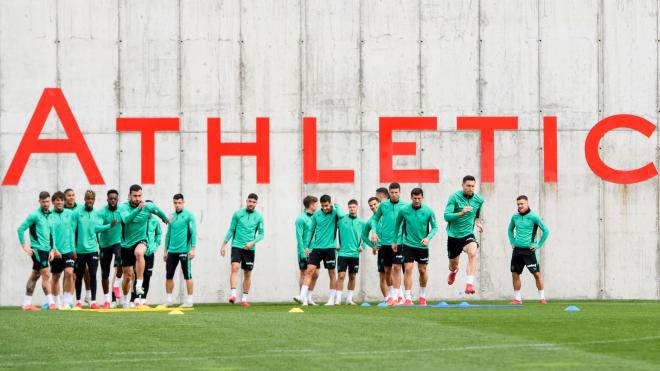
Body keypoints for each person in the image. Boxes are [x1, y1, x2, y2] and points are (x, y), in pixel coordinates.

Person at [118, 184, 168, 308]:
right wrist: (137, 210)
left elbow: (158, 211)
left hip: (141, 240)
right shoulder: (123, 207)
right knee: (128, 276)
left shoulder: (147, 206)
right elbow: (126, 220)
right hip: (126, 244)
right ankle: (125, 297)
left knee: (140, 253)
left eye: (139, 196)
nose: (137, 198)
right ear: (129, 196)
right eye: (134, 196)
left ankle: (139, 285)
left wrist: (165, 219)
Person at [394, 188, 438, 305]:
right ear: (411, 197)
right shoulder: (404, 210)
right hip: (408, 244)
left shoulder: (428, 211)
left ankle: (422, 296)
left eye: (419, 198)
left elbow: (435, 227)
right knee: (408, 269)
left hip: (422, 246)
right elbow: (397, 225)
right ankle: (408, 298)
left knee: (422, 270)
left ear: (422, 198)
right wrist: (394, 241)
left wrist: (428, 238)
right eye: (415, 198)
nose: (417, 200)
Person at [71, 190, 114, 309]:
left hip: (93, 249)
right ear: (84, 199)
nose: (90, 201)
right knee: (79, 275)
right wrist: (73, 249)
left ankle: (93, 301)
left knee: (93, 274)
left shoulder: (97, 213)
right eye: (88, 199)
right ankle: (78, 301)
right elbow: (71, 231)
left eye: (92, 199)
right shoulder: (77, 213)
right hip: (79, 250)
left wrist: (109, 226)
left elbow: (98, 229)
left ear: (94, 200)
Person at [299, 195, 344, 306]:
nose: (324, 208)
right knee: (309, 270)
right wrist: (306, 246)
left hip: (330, 248)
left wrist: (336, 205)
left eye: (327, 205)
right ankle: (302, 297)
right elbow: (310, 231)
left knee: (332, 273)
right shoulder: (316, 215)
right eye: (323, 205)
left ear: (330, 203)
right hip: (316, 248)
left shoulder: (334, 213)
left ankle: (331, 300)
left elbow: (342, 216)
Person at [221, 193, 265, 307]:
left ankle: (244, 299)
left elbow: (261, 234)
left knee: (247, 273)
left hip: (250, 248)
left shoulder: (259, 217)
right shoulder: (237, 214)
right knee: (234, 267)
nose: (251, 203)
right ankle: (233, 294)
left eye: (253, 202)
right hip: (237, 245)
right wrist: (223, 245)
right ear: (246, 201)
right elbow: (231, 229)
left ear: (256, 203)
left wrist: (252, 242)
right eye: (249, 201)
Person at [444, 175, 484, 295]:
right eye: (468, 186)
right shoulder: (454, 197)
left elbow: (477, 212)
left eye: (472, 186)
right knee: (452, 265)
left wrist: (477, 222)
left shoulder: (479, 200)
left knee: (472, 253)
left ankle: (469, 284)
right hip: (453, 236)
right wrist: (461, 213)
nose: (470, 188)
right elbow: (446, 216)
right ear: (462, 185)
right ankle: (454, 271)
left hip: (468, 234)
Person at [508, 195, 550, 304]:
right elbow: (509, 230)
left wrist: (538, 245)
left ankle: (542, 298)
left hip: (529, 251)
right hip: (517, 250)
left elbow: (546, 231)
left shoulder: (534, 217)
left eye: (522, 203)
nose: (520, 206)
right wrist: (512, 242)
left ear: (527, 203)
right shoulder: (515, 217)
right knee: (515, 274)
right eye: (518, 204)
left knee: (536, 274)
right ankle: (517, 299)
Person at [370, 183, 407, 305]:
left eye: (396, 192)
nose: (394, 194)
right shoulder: (383, 205)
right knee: (387, 270)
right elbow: (375, 219)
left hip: (398, 242)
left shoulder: (405, 206)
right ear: (389, 193)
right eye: (392, 192)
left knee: (397, 268)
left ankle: (397, 297)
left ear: (399, 192)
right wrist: (374, 232)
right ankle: (391, 295)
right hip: (384, 243)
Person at [17, 191, 55, 310]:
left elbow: (51, 234)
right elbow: (20, 229)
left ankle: (26, 303)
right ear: (39, 201)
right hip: (37, 249)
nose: (45, 204)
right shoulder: (34, 215)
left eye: (47, 201)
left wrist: (52, 249)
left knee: (35, 275)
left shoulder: (51, 215)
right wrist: (24, 245)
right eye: (43, 202)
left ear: (50, 202)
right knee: (46, 273)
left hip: (46, 250)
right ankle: (51, 303)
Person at [164, 194, 197, 308]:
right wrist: (165, 251)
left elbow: (193, 233)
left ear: (183, 202)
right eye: (175, 203)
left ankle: (190, 300)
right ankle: (169, 300)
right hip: (172, 251)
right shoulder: (171, 217)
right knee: (169, 275)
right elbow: (168, 235)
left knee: (187, 275)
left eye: (179, 203)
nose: (177, 205)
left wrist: (193, 249)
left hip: (184, 250)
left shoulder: (189, 216)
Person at [336, 200, 370, 305]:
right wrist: (336, 244)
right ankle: (337, 300)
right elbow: (333, 232)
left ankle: (349, 299)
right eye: (350, 207)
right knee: (341, 276)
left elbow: (365, 237)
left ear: (357, 207)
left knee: (352, 276)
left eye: (353, 207)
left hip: (355, 254)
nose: (352, 209)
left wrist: (363, 246)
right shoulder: (341, 220)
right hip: (342, 253)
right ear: (348, 208)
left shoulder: (362, 223)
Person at [48, 191, 76, 309]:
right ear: (53, 202)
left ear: (64, 202)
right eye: (57, 200)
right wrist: (54, 249)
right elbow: (50, 234)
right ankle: (56, 301)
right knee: (55, 276)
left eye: (61, 200)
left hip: (68, 250)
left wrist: (74, 249)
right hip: (55, 251)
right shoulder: (49, 215)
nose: (59, 202)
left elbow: (72, 231)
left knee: (69, 273)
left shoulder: (70, 213)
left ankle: (67, 301)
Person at [96, 189, 124, 308]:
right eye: (111, 199)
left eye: (115, 199)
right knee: (105, 273)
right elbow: (96, 228)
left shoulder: (121, 210)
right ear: (107, 199)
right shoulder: (102, 212)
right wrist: (109, 226)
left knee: (120, 259)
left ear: (117, 200)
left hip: (117, 242)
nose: (113, 201)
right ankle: (107, 300)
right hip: (104, 245)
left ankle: (116, 285)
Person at [64, 188, 93, 304]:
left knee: (86, 269)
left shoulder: (81, 208)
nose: (71, 197)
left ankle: (89, 294)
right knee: (70, 273)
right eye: (69, 195)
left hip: (81, 244)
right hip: (66, 245)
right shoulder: (61, 210)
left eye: (73, 195)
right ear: (65, 198)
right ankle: (70, 299)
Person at [131, 210, 162, 307]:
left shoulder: (155, 221)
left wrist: (155, 245)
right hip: (140, 251)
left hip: (150, 252)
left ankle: (143, 299)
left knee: (147, 275)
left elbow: (158, 234)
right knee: (137, 274)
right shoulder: (140, 220)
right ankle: (136, 299)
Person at [293, 196, 320, 305]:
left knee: (316, 274)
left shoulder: (317, 217)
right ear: (311, 205)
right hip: (305, 250)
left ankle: (309, 297)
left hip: (316, 250)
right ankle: (302, 298)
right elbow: (299, 237)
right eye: (316, 204)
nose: (317, 206)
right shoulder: (301, 218)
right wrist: (302, 251)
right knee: (304, 273)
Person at [362, 196, 387, 300]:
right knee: (382, 275)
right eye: (371, 205)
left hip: (392, 246)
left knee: (394, 272)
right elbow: (364, 236)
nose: (373, 207)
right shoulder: (370, 221)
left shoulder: (387, 215)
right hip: (381, 249)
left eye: (375, 204)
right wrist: (374, 246)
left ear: (379, 204)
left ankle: (398, 297)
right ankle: (387, 299)